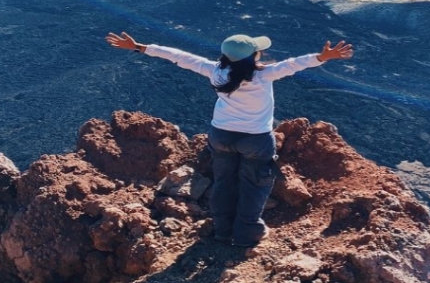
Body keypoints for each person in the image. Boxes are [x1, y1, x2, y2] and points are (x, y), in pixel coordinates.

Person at [105, 31, 353, 246]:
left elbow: (179, 56)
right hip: (256, 139)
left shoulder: (215, 71)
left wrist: (139, 46)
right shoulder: (263, 75)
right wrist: (323, 57)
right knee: (255, 184)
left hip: (221, 136)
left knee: (224, 182)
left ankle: (223, 231)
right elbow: (293, 64)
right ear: (253, 56)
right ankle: (247, 234)